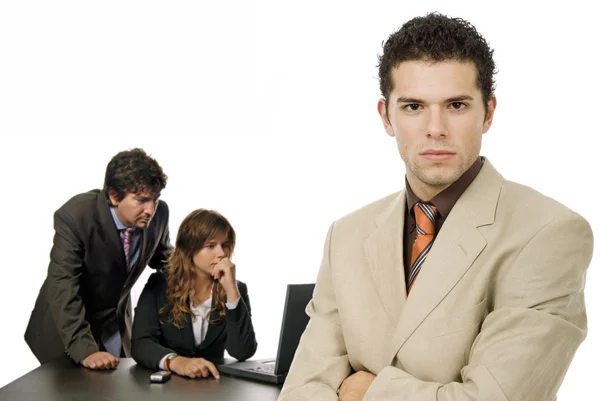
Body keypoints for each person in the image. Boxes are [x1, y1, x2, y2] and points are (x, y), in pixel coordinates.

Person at [279, 12, 594, 401]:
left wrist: (368, 391)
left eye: (457, 105)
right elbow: (300, 391)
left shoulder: (549, 234)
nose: (435, 128)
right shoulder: (346, 236)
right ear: (386, 116)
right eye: (413, 107)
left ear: (488, 113)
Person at [24, 148, 171, 370]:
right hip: (67, 328)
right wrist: (86, 351)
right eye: (141, 200)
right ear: (113, 195)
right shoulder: (76, 216)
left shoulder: (159, 214)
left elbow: (164, 258)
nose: (150, 209)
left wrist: (202, 270)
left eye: (155, 199)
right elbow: (63, 284)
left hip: (115, 325)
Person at [131, 209, 257, 379]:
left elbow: (242, 351)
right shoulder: (159, 284)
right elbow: (141, 343)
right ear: (189, 249)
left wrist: (231, 292)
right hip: (168, 384)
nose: (221, 253)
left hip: (214, 385)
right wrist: (177, 362)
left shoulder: (236, 290)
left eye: (225, 245)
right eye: (210, 246)